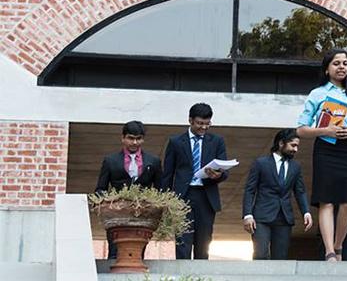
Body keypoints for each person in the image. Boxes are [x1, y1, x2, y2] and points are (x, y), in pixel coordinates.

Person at [296, 49, 347, 261]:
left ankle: (338, 245)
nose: (341, 67)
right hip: (326, 148)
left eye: (345, 63)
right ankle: (329, 251)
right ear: (327, 69)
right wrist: (324, 131)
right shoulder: (317, 94)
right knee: (326, 201)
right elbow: (300, 129)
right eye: (336, 63)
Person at [161, 103, 228, 259]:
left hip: (206, 196)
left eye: (207, 124)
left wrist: (218, 175)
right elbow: (168, 174)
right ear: (190, 120)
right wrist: (165, 201)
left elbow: (224, 171)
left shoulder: (217, 141)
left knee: (204, 243)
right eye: (200, 123)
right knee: (183, 241)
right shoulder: (176, 142)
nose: (203, 127)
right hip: (183, 197)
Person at [242, 128, 313, 260]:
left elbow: (300, 191)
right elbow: (249, 190)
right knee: (260, 255)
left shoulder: (295, 167)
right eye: (293, 145)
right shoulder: (260, 163)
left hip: (284, 219)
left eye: (297, 146)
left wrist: (306, 212)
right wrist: (247, 215)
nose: (296, 149)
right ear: (281, 143)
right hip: (261, 218)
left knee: (280, 258)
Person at [95, 120, 162, 259]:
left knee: (139, 252)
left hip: (143, 216)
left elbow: (160, 190)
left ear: (143, 139)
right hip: (117, 216)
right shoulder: (110, 160)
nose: (135, 142)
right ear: (123, 138)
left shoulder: (153, 161)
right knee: (114, 252)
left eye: (139, 139)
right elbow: (100, 189)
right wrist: (108, 205)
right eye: (131, 138)